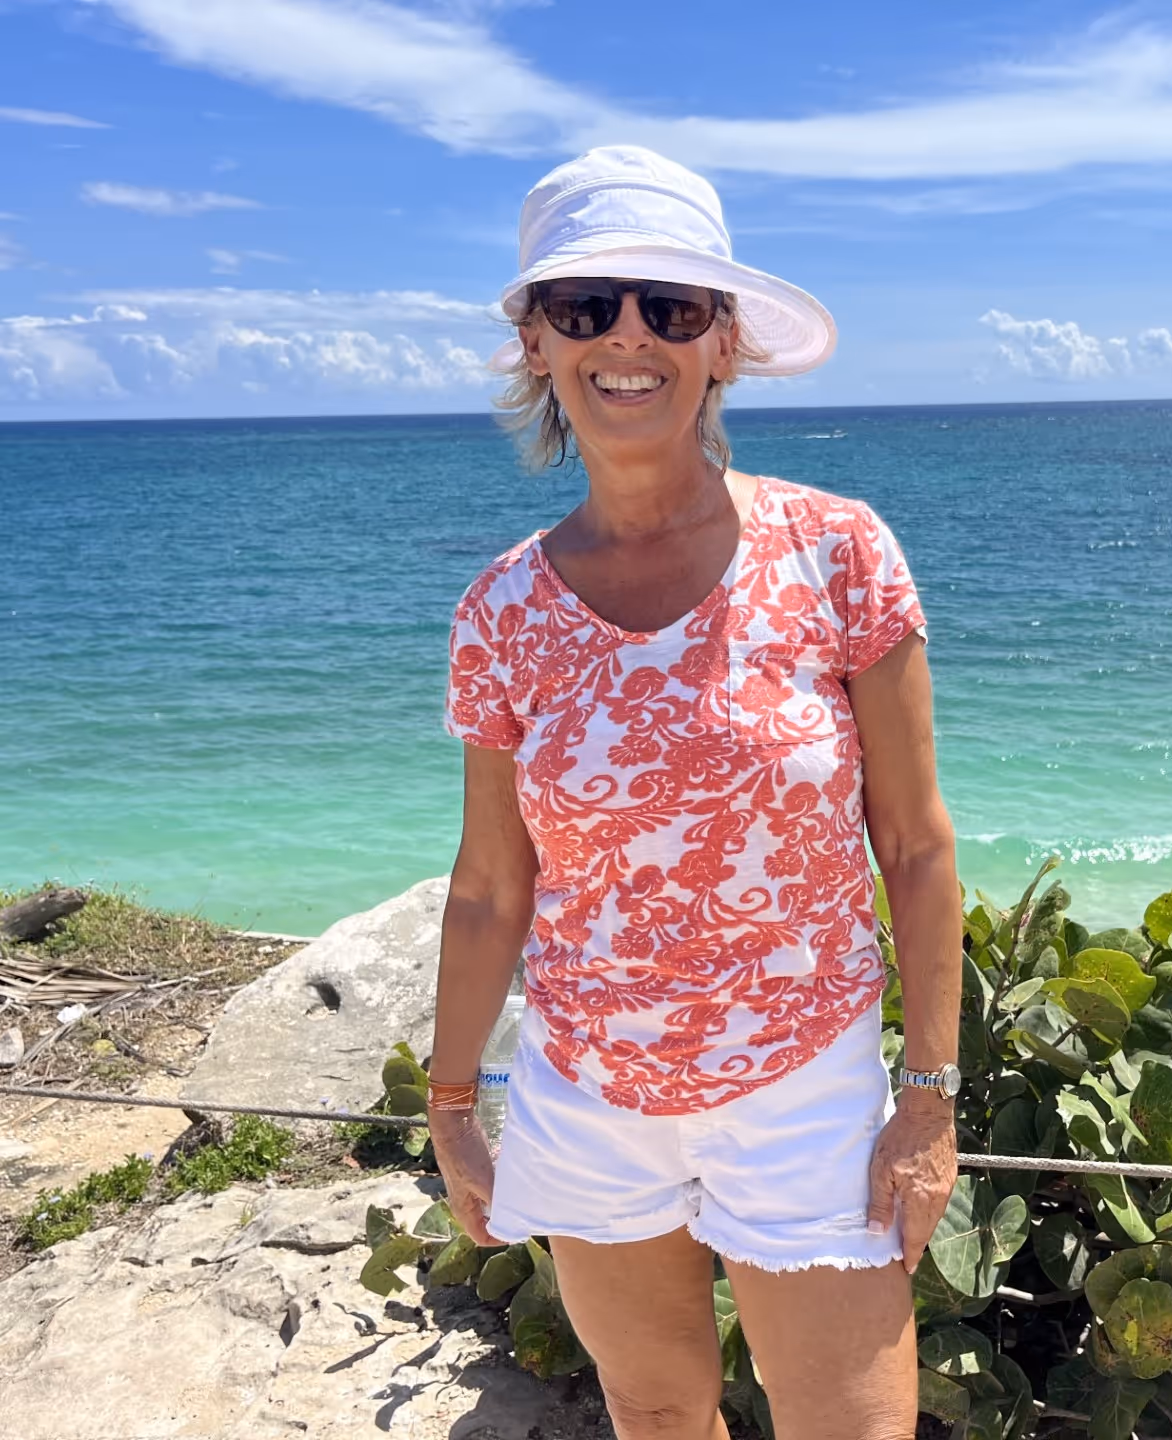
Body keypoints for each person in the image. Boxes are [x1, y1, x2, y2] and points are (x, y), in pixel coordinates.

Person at [428, 145, 961, 1440]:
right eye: (585, 306)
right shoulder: (503, 612)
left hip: (809, 1091)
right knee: (658, 1415)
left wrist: (932, 1093)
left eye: (670, 307)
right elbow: (494, 886)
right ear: (538, 343)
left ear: (722, 344)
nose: (627, 338)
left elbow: (916, 844)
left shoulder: (837, 553)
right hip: (587, 1094)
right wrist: (451, 1105)